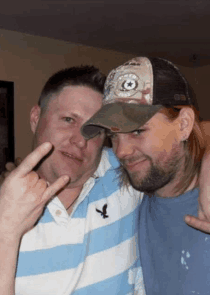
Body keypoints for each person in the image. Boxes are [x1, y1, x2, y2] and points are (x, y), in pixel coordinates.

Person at [0, 66, 145, 295]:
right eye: (69, 119)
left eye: (94, 130)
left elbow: (180, 141)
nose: (80, 141)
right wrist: (2, 233)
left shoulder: (127, 172)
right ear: (35, 118)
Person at [81, 56, 210, 294]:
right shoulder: (125, 192)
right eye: (114, 135)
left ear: (183, 125)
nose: (122, 151)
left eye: (138, 131)